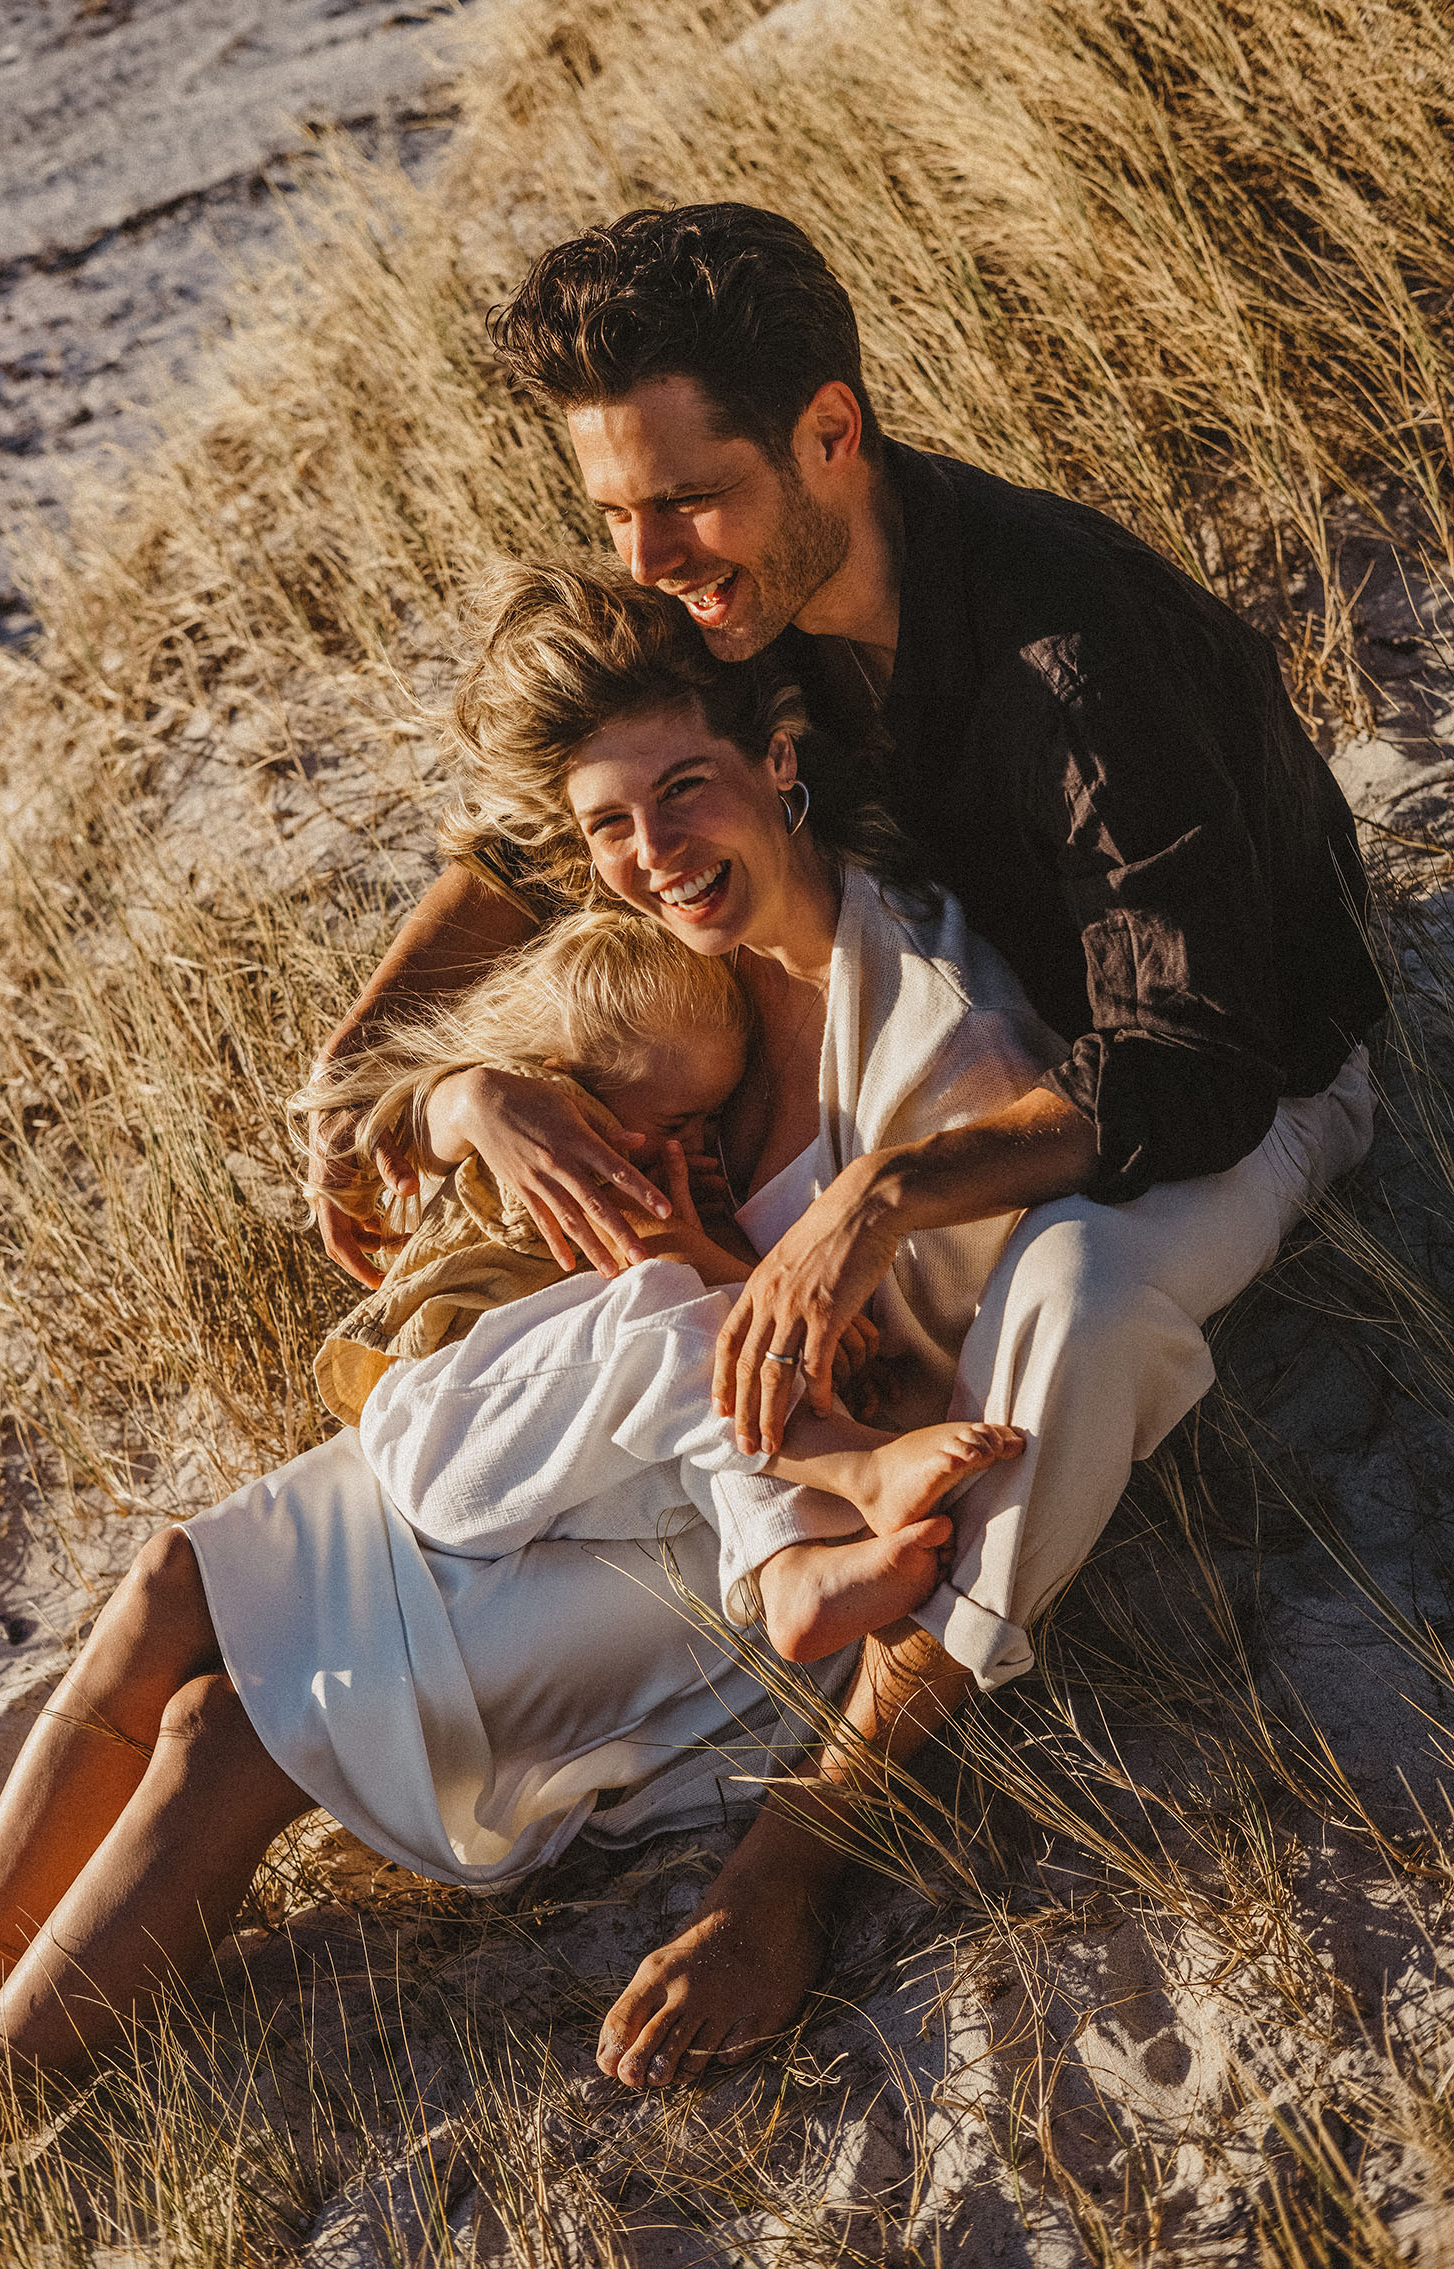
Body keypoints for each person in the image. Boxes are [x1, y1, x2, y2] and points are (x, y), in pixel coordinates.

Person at [304, 206, 1384, 2082]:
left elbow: (1198, 1066)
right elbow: (543, 827)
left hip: (1253, 1065)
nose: (649, 562)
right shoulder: (739, 588)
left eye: (682, 504)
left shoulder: (1073, 657)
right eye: (614, 513)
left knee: (1080, 1296)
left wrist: (879, 1199)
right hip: (979, 1037)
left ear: (830, 433)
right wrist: (384, 1066)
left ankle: (809, 1836)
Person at [0, 569, 1056, 2120]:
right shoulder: (657, 930)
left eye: (687, 792)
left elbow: (990, 1331)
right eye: (612, 824)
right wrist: (474, 1098)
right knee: (171, 1581)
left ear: (780, 756)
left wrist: (798, 1854)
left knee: (229, 1735)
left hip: (706, 1511)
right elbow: (394, 1106)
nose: (653, 852)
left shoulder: (926, 1027)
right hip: (560, 1412)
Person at [301, 896, 1027, 1657]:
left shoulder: (656, 1170)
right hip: (442, 1438)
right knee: (679, 1315)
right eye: (679, 1123)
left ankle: (785, 1569)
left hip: (554, 1472)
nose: (701, 1144)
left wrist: (775, 1314)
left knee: (712, 1383)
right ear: (569, 1086)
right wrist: (784, 1313)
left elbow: (696, 1287)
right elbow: (646, 1258)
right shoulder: (546, 1139)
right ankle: (861, 1470)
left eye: (713, 1120)